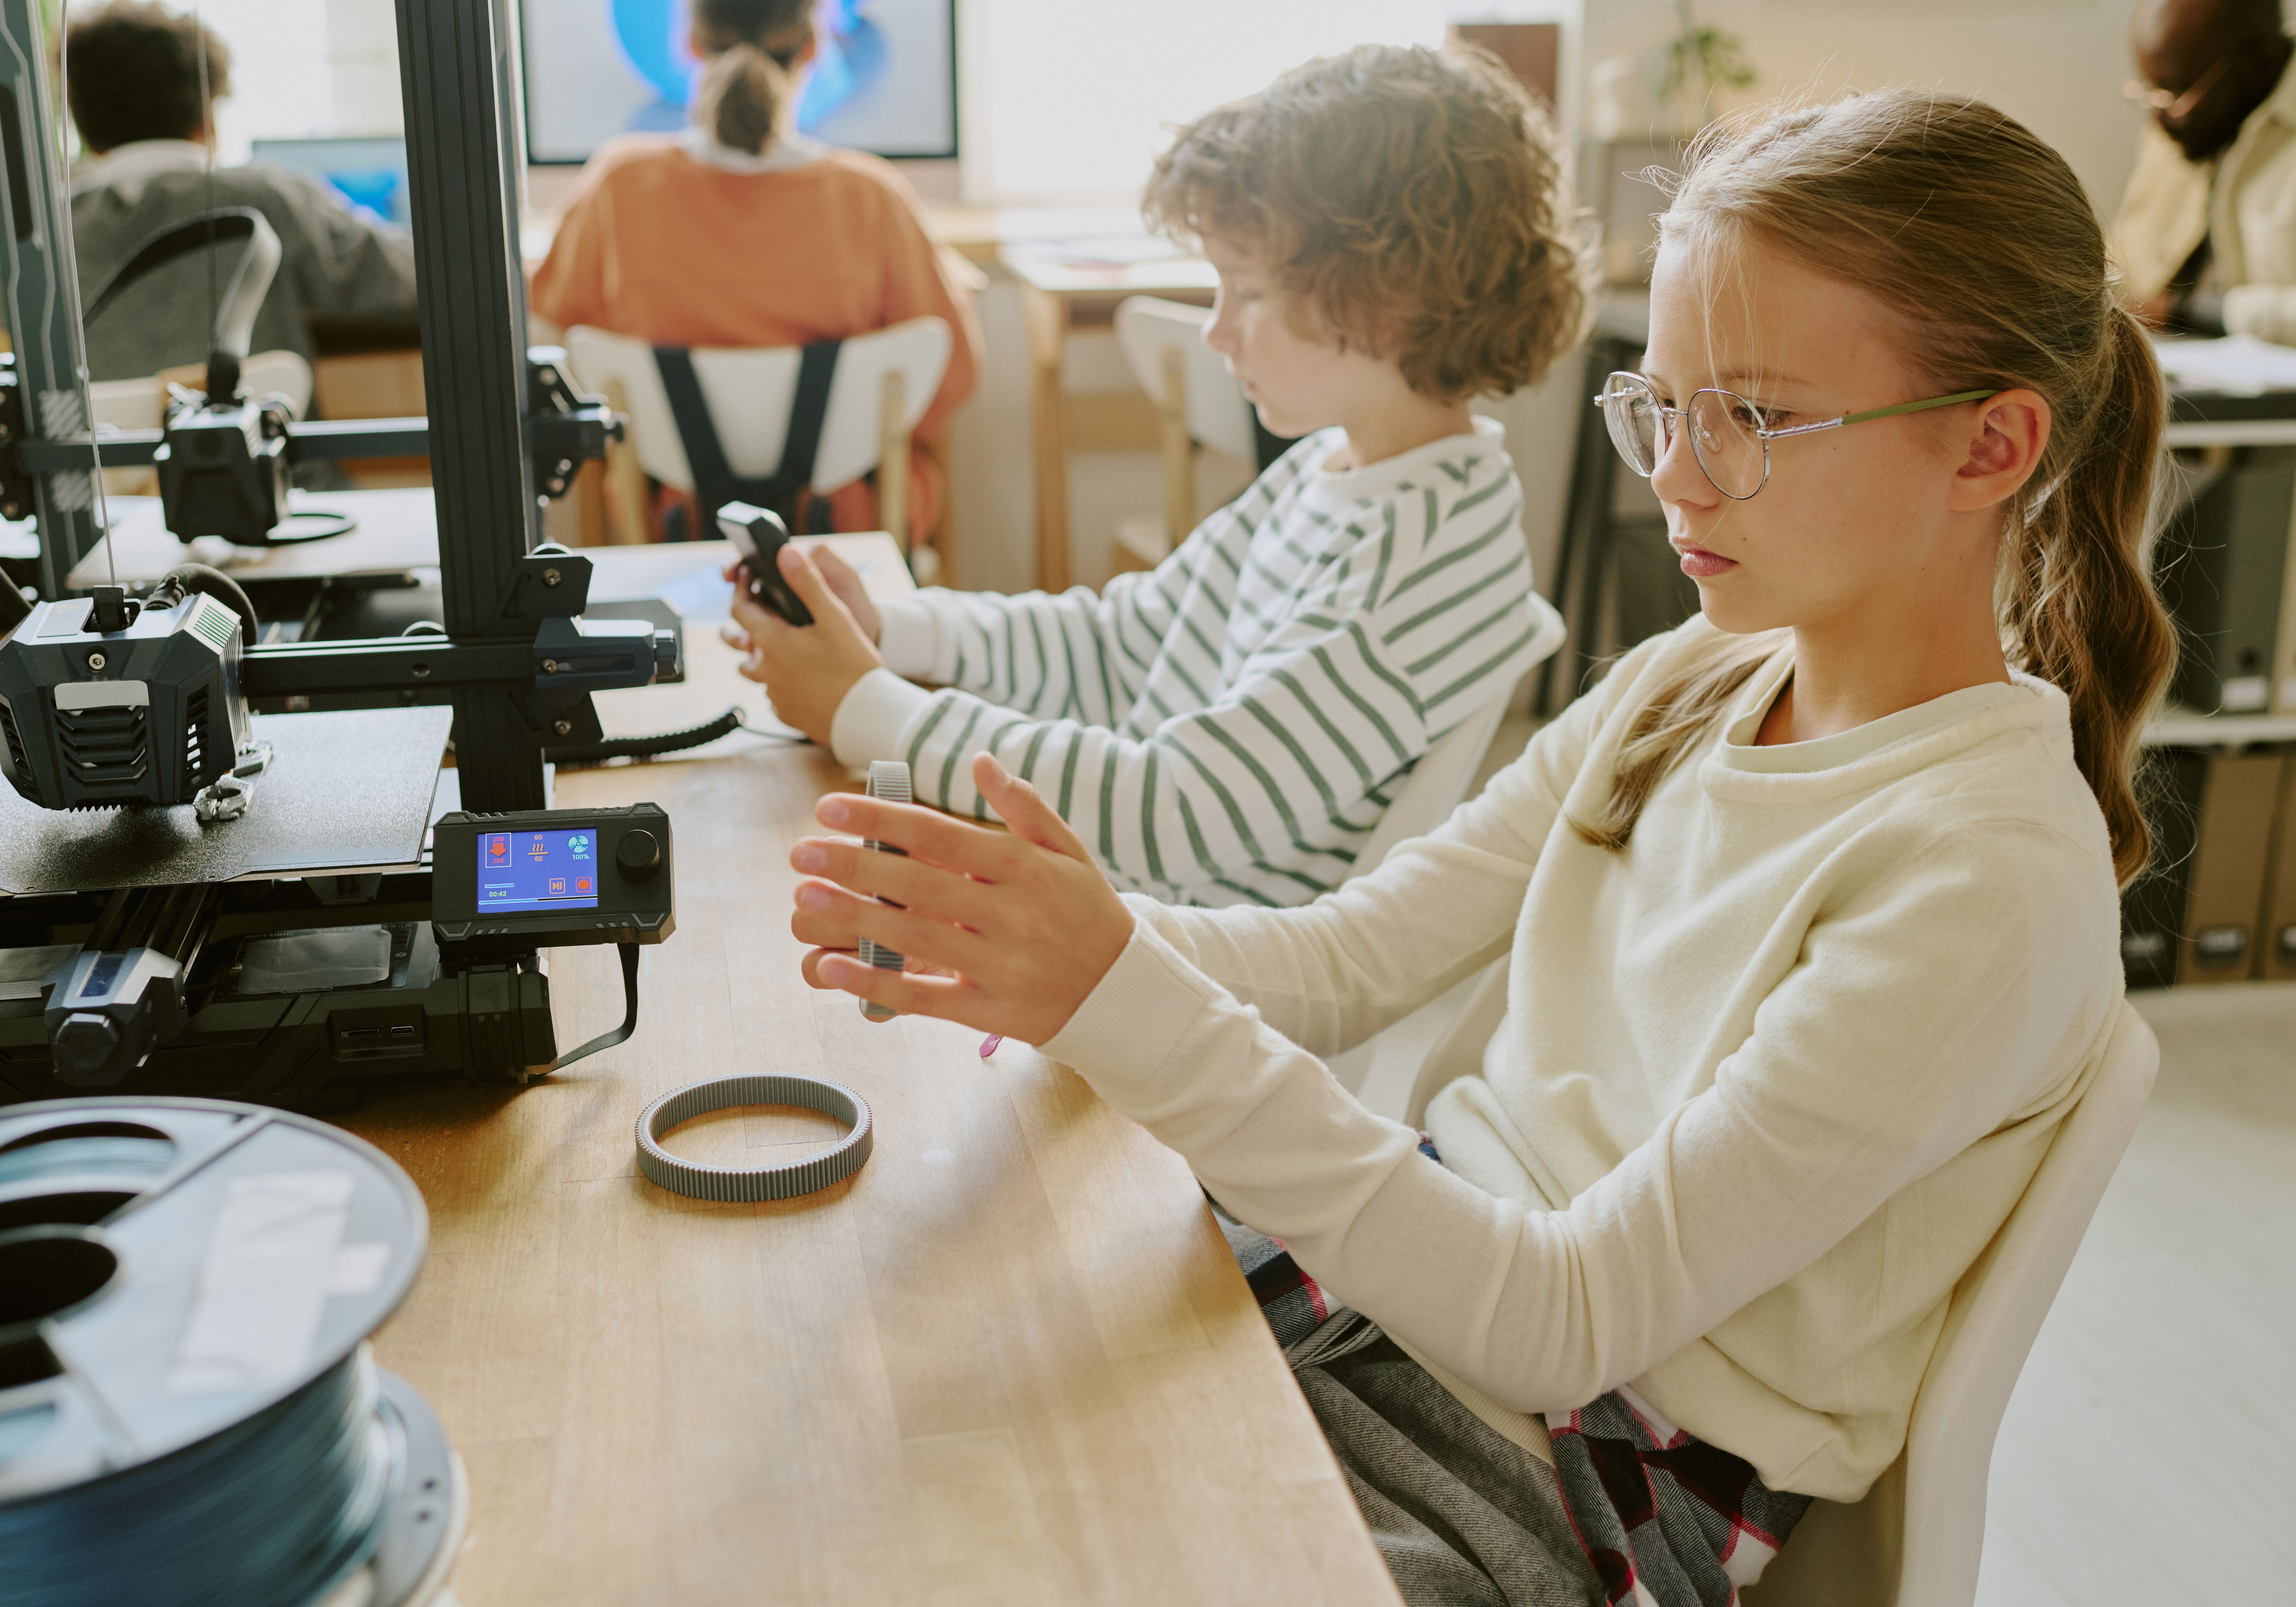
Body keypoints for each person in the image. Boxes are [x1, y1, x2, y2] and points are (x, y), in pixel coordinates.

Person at [785, 88, 2173, 1604]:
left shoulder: (1981, 879)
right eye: (1665, 407)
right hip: (1403, 1310)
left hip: (1564, 1478)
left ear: (1992, 449)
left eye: (1757, 418)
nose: (1680, 480)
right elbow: (1350, 956)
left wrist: (1117, 986)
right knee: (883, 1412)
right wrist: (1050, 934)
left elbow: (1567, 1320)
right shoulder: (1690, 681)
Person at [731, 45, 1583, 909]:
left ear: (1386, 294)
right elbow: (1123, 643)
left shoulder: (1423, 561)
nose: (1216, 332)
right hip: (1128, 918)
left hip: (1181, 969)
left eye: (1245, 293)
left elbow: (1175, 812)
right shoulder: (1337, 470)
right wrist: (898, 631)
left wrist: (864, 706)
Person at [530, 0, 981, 542]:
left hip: (673, 525)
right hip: (846, 533)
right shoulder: (871, 198)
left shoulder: (618, 186)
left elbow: (568, 338)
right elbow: (951, 377)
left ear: (689, 45)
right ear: (813, 46)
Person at [0, 1, 416, 383]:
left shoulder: (29, 245)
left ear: (85, 128)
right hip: (274, 480)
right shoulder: (269, 197)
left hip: (109, 483)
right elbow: (413, 281)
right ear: (208, 117)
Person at [2112, 0, 2296, 337]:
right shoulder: (2177, 125)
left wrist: (2187, 313)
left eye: (2178, 91)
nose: (2158, 115)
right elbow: (2125, 261)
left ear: (2260, 63)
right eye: (2151, 90)